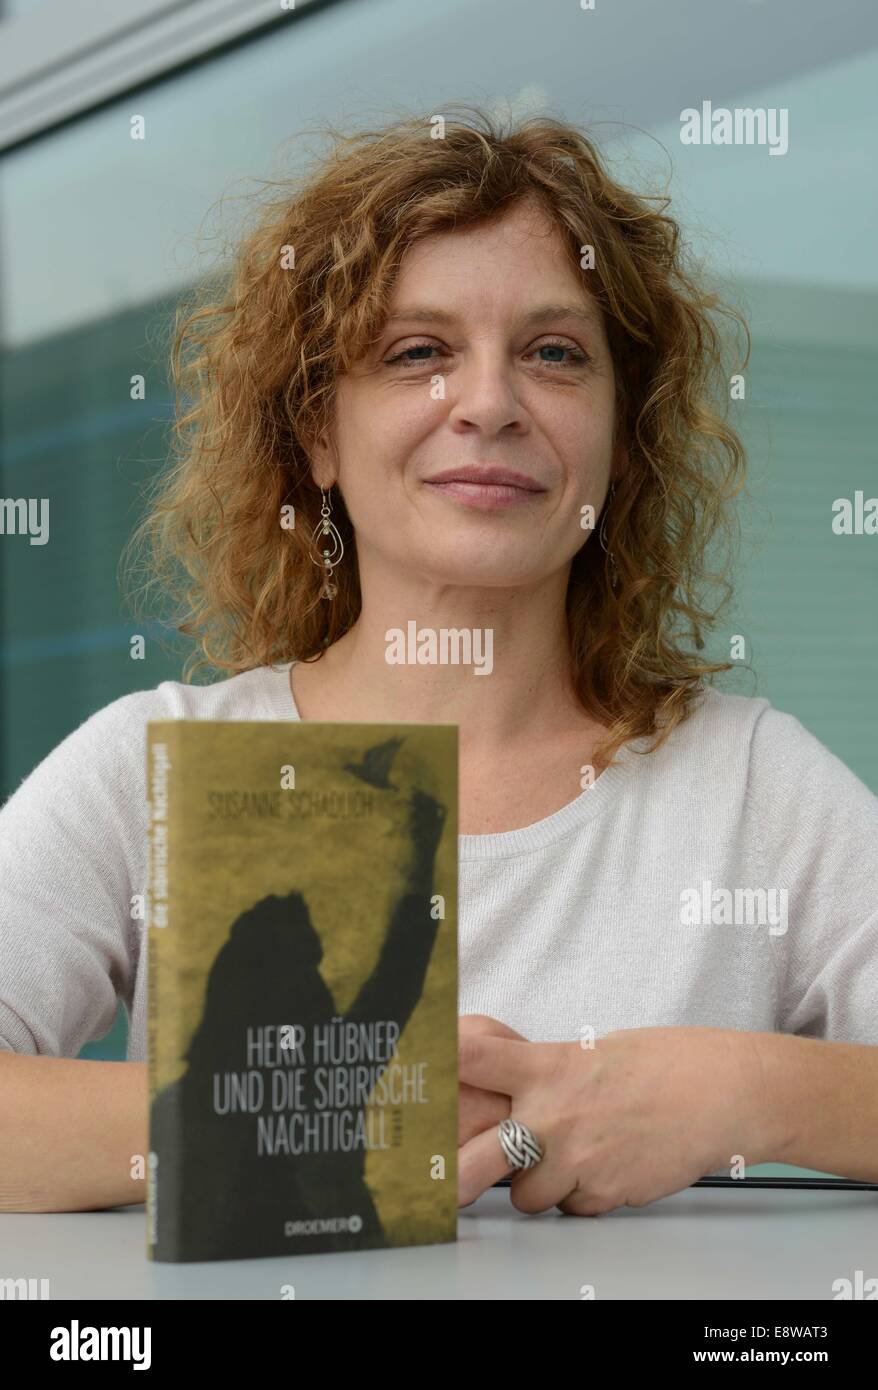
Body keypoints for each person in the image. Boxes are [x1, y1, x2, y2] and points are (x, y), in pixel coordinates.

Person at [1, 106, 877, 1221]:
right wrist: (351, 1111)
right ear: (316, 434)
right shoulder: (156, 761)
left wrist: (736, 1088)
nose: (490, 405)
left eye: (553, 354)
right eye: (416, 353)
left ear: (622, 434)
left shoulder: (754, 785)